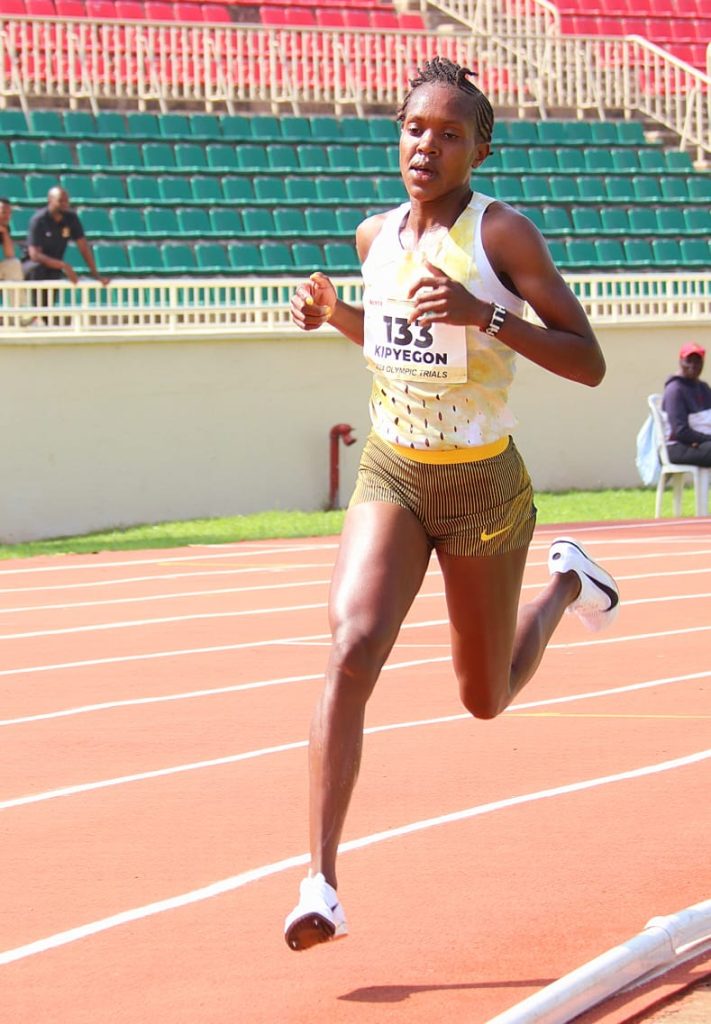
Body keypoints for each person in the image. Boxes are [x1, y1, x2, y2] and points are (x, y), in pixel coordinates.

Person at [283, 56, 620, 952]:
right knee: (351, 644)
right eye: (413, 128)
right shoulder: (374, 238)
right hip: (394, 471)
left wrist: (489, 317)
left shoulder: (502, 235)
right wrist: (336, 317)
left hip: (481, 486)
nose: (425, 145)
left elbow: (588, 362)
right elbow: (394, 337)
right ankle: (320, 880)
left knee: (484, 698)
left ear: (480, 149)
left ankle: (563, 589)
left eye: (448, 133)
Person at [21, 186, 109, 289]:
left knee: (51, 291)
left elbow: (84, 247)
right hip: (33, 268)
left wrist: (96, 275)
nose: (64, 204)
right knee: (38, 270)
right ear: (50, 200)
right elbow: (35, 255)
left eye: (66, 201)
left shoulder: (71, 219)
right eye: (60, 201)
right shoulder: (39, 220)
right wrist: (63, 265)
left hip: (55, 268)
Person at [662, 343, 711, 467]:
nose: (693, 366)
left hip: (699, 442)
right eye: (689, 361)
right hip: (677, 446)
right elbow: (680, 431)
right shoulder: (675, 389)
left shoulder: (703, 388)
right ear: (680, 361)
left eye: (698, 361)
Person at [0, 198, 23, 283]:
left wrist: (5, 232)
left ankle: (18, 296)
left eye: (10, 213)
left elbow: (10, 254)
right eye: (4, 213)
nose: (7, 216)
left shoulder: (5, 227)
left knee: (13, 263)